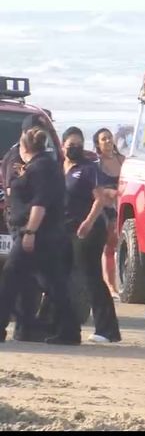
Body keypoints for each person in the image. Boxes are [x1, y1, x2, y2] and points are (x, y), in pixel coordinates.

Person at [0, 126, 81, 344]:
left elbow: (40, 204)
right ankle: (69, 331)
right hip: (45, 235)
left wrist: (30, 232)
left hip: (38, 234)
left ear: (25, 147)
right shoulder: (42, 166)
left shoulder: (41, 169)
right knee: (54, 283)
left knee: (9, 277)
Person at [62, 127, 122, 343]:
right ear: (63, 145)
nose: (75, 148)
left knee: (91, 277)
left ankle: (107, 329)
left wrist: (88, 222)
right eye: (71, 144)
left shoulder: (88, 169)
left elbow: (100, 199)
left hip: (88, 230)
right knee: (63, 275)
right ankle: (55, 321)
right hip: (66, 230)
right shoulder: (61, 167)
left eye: (79, 144)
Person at [1, 114, 56, 341]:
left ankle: (26, 328)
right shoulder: (14, 157)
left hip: (37, 227)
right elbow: (15, 193)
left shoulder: (45, 159)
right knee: (17, 276)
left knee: (29, 279)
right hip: (21, 225)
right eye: (33, 132)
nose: (37, 136)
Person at [92, 128, 124, 298]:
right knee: (108, 247)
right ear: (97, 143)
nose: (108, 141)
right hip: (105, 208)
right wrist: (109, 192)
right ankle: (110, 286)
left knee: (116, 246)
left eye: (110, 138)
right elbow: (94, 187)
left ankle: (115, 285)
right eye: (103, 139)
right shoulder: (96, 164)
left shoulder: (122, 160)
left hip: (121, 207)